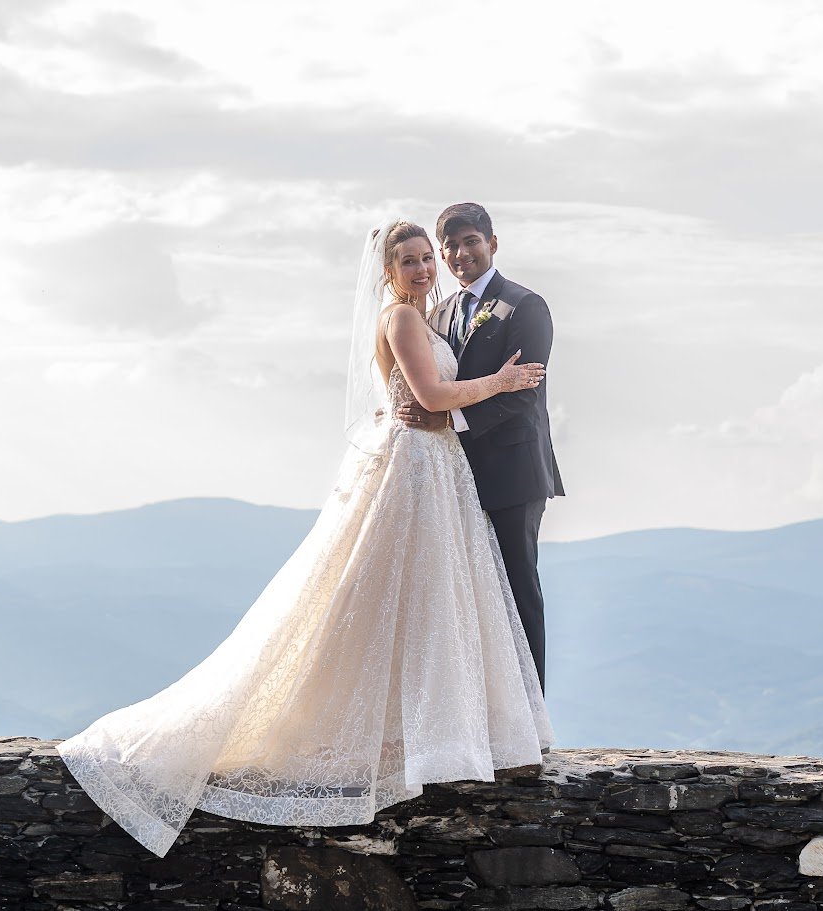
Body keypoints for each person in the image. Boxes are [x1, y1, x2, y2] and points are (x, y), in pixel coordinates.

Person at [57, 220, 555, 858]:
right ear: (388, 271)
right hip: (419, 468)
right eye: (410, 260)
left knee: (425, 603)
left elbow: (412, 392)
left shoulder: (428, 315)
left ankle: (430, 735)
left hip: (438, 467)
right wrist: (499, 382)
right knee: (395, 600)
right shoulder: (402, 319)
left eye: (428, 257)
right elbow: (430, 393)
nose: (426, 268)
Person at [397, 203, 564, 693]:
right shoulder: (441, 312)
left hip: (513, 472)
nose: (459, 253)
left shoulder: (525, 305)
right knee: (474, 599)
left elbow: (524, 391)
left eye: (471, 241)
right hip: (456, 473)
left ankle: (533, 719)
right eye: (449, 246)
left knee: (517, 593)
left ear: (493, 242)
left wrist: (450, 419)